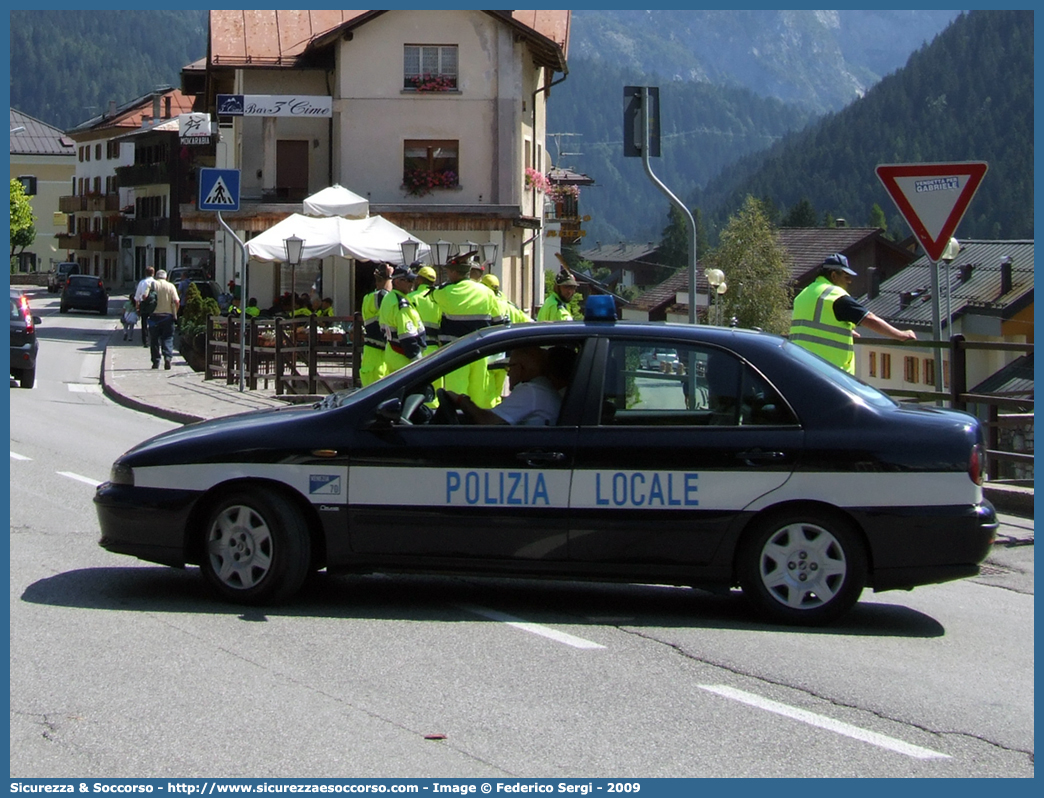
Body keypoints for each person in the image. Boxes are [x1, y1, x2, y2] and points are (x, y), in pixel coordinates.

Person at [790, 253, 917, 374]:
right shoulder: (835, 295)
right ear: (834, 275)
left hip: (801, 367)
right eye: (846, 277)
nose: (849, 281)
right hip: (829, 371)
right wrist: (900, 334)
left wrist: (844, 330)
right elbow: (869, 319)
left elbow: (813, 326)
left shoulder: (805, 293)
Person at [429, 251, 500, 405]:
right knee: (478, 395)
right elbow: (499, 320)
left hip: (456, 353)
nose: (447, 275)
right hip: (480, 352)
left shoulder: (446, 292)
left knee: (456, 395)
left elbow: (432, 297)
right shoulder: (487, 292)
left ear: (455, 272)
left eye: (448, 271)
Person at [446, 346, 562, 425]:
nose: (508, 372)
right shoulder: (540, 388)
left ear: (522, 368)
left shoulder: (531, 391)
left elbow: (488, 422)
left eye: (510, 367)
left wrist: (461, 400)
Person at [379, 265, 427, 375]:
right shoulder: (401, 304)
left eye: (413, 280)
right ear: (396, 282)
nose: (412, 283)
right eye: (408, 280)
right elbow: (407, 337)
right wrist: (418, 361)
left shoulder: (389, 298)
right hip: (404, 359)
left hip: (392, 353)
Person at [359, 263, 393, 386]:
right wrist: (389, 277)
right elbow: (385, 295)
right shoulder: (373, 298)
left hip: (382, 354)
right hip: (375, 355)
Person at [148, 269, 180, 370]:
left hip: (154, 317)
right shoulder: (170, 286)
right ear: (166, 277)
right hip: (167, 317)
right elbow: (176, 301)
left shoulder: (152, 285)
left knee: (154, 340)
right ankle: (167, 357)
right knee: (168, 338)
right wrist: (175, 312)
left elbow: (144, 297)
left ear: (157, 277)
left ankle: (156, 361)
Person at [134, 266, 157, 348]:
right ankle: (154, 339)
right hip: (154, 306)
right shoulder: (156, 283)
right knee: (154, 323)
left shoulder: (142, 282)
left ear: (145, 273)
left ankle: (145, 341)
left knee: (144, 324)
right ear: (153, 273)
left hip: (144, 305)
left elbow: (137, 297)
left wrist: (137, 307)